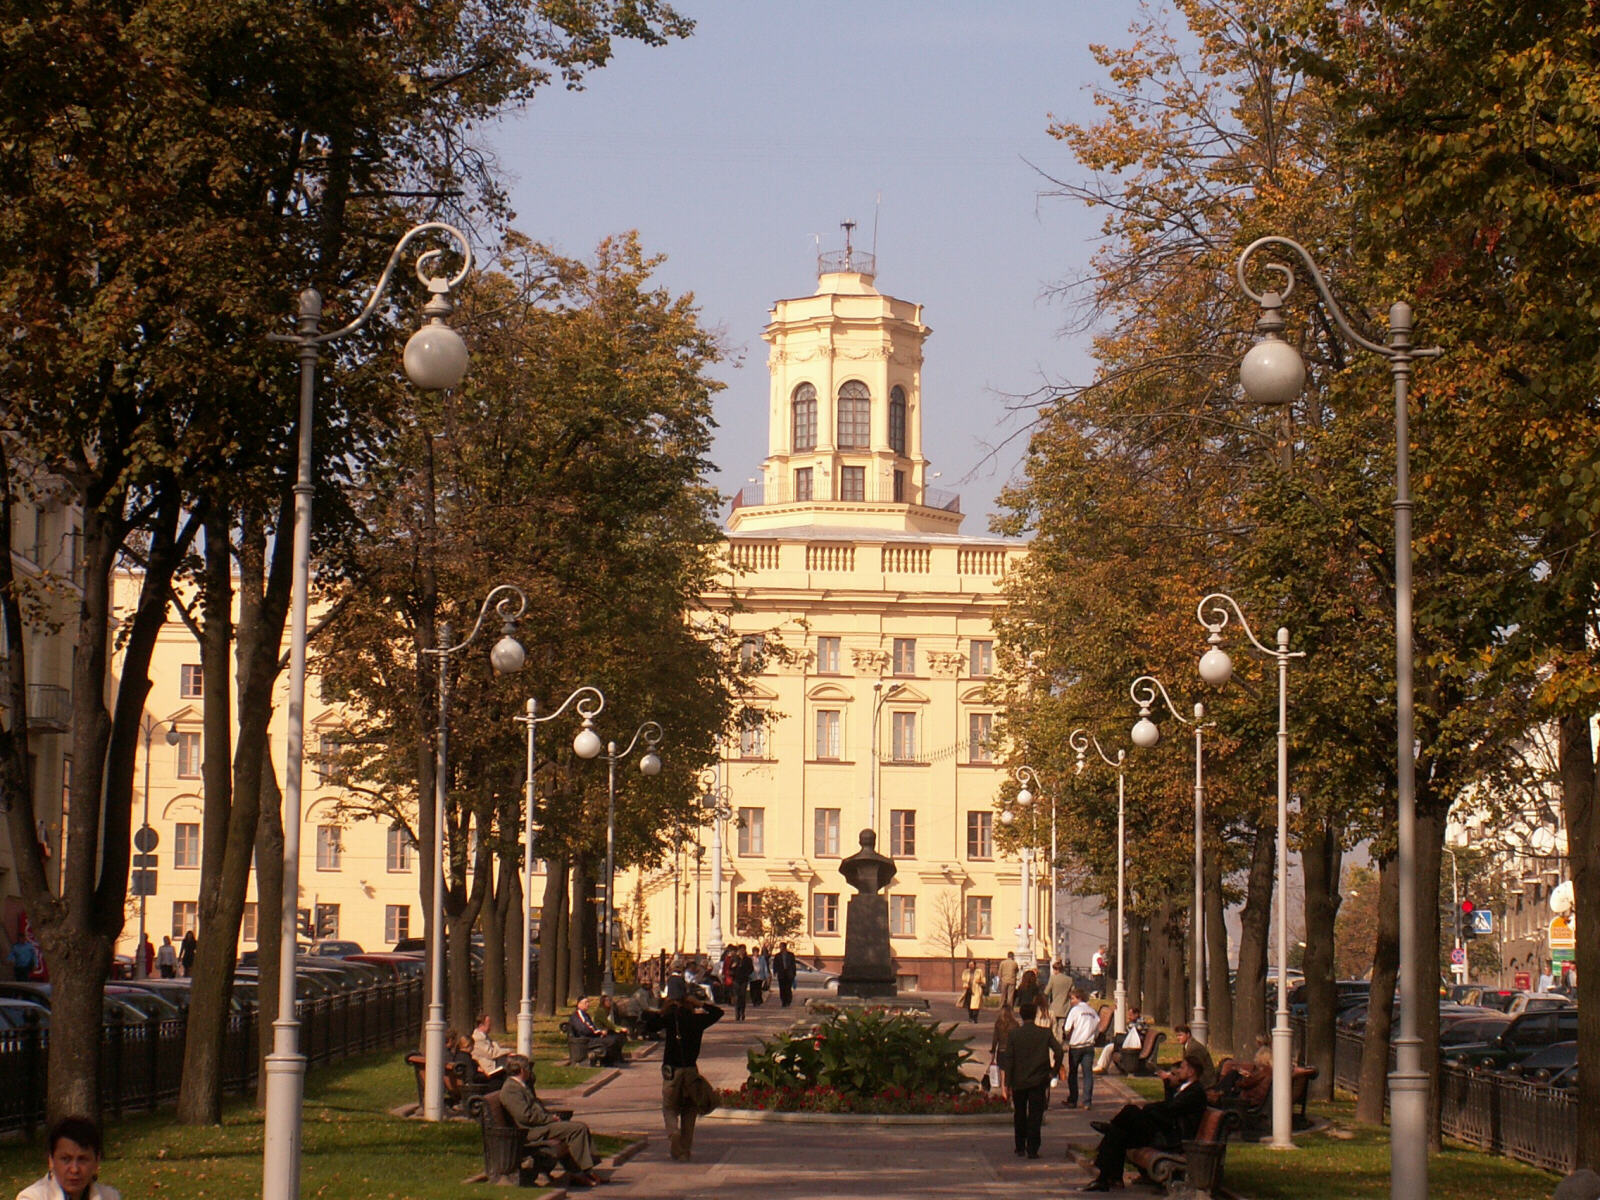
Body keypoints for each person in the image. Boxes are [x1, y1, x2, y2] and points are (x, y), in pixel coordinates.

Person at [1082, 1052, 1207, 1191]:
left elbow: (1170, 1108)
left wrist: (1148, 1108)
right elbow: (1169, 1105)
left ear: (1191, 1072)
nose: (1178, 1071)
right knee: (1118, 1133)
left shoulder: (1195, 1092)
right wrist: (1168, 1084)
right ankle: (1107, 1179)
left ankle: (1108, 1174)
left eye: (1182, 1068)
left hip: (1173, 1138)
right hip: (1166, 1129)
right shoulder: (1186, 1088)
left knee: (1130, 1111)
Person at [646, 983, 723, 1162]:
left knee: (669, 1107)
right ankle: (685, 1151)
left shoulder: (670, 1018)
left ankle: (673, 1134)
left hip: (671, 1071)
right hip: (690, 1069)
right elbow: (718, 1013)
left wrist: (662, 1010)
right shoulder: (696, 1020)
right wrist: (700, 1004)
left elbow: (649, 1025)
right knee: (690, 1109)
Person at [499, 1055, 601, 1187]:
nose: (530, 1072)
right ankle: (582, 1172)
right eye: (528, 1069)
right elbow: (524, 1116)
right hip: (529, 1131)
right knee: (577, 1129)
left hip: (538, 1126)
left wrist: (550, 1116)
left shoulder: (520, 1086)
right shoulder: (511, 1089)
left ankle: (582, 1171)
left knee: (577, 1128)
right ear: (522, 1070)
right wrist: (549, 1118)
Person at [1005, 1002, 1063, 1159]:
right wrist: (1054, 1071)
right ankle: (1033, 1148)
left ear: (1021, 1016)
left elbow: (1009, 1059)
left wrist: (1007, 1083)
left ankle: (1020, 1146)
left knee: (1020, 1113)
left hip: (1019, 1080)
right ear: (1035, 1014)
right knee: (1035, 1114)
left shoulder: (1014, 1034)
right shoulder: (1045, 1033)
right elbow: (1059, 1051)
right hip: (1039, 1079)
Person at [18, 1115, 120, 1200]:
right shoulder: (32, 1197)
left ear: (96, 1162)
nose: (74, 1169)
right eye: (66, 1159)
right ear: (51, 1161)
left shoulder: (110, 1197)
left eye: (82, 1159)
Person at [1062, 988, 1100, 1109]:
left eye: (1072, 998)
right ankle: (1087, 1101)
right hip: (1089, 1045)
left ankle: (1073, 1100)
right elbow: (1097, 1029)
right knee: (1088, 1074)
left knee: (1073, 1073)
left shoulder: (1075, 1010)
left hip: (1076, 1045)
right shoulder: (1093, 1011)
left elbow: (1067, 1028)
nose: (1071, 1001)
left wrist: (1068, 1035)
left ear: (1079, 998)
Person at [571, 996, 626, 1066]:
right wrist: (599, 1032)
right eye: (586, 1002)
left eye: (588, 1002)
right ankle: (607, 1062)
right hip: (586, 1040)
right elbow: (584, 1030)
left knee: (616, 1038)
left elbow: (593, 1027)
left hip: (592, 1037)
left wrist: (599, 1032)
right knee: (611, 1040)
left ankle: (609, 1061)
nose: (588, 1004)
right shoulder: (578, 1015)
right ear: (579, 1004)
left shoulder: (585, 1015)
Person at [1163, 1024, 1216, 1089]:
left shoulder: (1194, 1048)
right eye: (1177, 1036)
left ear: (1188, 1035)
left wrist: (1174, 1075)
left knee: (1171, 1082)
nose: (1178, 1038)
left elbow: (1192, 1068)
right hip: (1195, 1078)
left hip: (1205, 1082)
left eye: (1180, 1035)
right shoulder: (1188, 1046)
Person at [989, 1003, 1019, 1099]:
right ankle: (1010, 1090)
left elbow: (995, 1039)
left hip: (1001, 1051)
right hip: (1012, 1052)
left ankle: (1004, 1094)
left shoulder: (998, 1024)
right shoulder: (1015, 1024)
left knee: (1003, 1074)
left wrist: (993, 1052)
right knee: (1012, 1073)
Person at [1045, 960, 1075, 1035]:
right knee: (1061, 1027)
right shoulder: (1069, 979)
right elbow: (1073, 993)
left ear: (1056, 969)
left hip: (1054, 1007)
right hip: (1065, 1007)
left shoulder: (1053, 978)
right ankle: (1060, 1041)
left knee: (1053, 1027)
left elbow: (1046, 991)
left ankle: (1054, 1043)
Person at [959, 959, 986, 1023]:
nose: (971, 966)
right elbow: (963, 978)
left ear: (975, 965)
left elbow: (983, 980)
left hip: (976, 989)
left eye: (972, 964)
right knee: (969, 1004)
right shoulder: (966, 971)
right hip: (968, 989)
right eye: (970, 964)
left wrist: (979, 981)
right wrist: (966, 983)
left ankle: (975, 1018)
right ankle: (970, 1017)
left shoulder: (979, 971)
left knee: (976, 1005)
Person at [731, 945, 753, 1021]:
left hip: (744, 980)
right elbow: (730, 968)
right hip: (736, 980)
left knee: (742, 996)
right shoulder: (734, 959)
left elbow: (751, 969)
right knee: (737, 997)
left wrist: (746, 973)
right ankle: (737, 1013)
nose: (742, 951)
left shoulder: (748, 960)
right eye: (741, 950)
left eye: (743, 950)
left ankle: (742, 1012)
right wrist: (733, 967)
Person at [773, 942, 797, 1008]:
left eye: (781, 947)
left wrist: (794, 973)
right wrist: (775, 972)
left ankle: (788, 1001)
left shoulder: (790, 955)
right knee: (782, 988)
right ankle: (783, 1001)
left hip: (789, 974)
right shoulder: (777, 955)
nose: (780, 948)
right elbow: (775, 964)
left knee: (788, 988)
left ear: (785, 947)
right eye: (780, 947)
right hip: (781, 974)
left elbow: (793, 964)